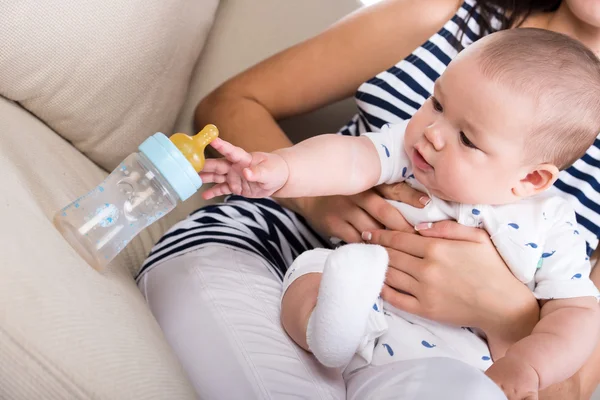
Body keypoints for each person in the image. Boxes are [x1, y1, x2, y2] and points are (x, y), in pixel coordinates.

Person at [136, 1, 600, 398]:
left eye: (469, 139)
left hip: (441, 355)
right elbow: (338, 150)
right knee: (306, 313)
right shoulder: (444, 17)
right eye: (436, 104)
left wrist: (505, 316)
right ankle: (331, 326)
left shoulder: (550, 225)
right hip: (286, 253)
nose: (433, 136)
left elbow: (570, 363)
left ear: (534, 179)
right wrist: (314, 195)